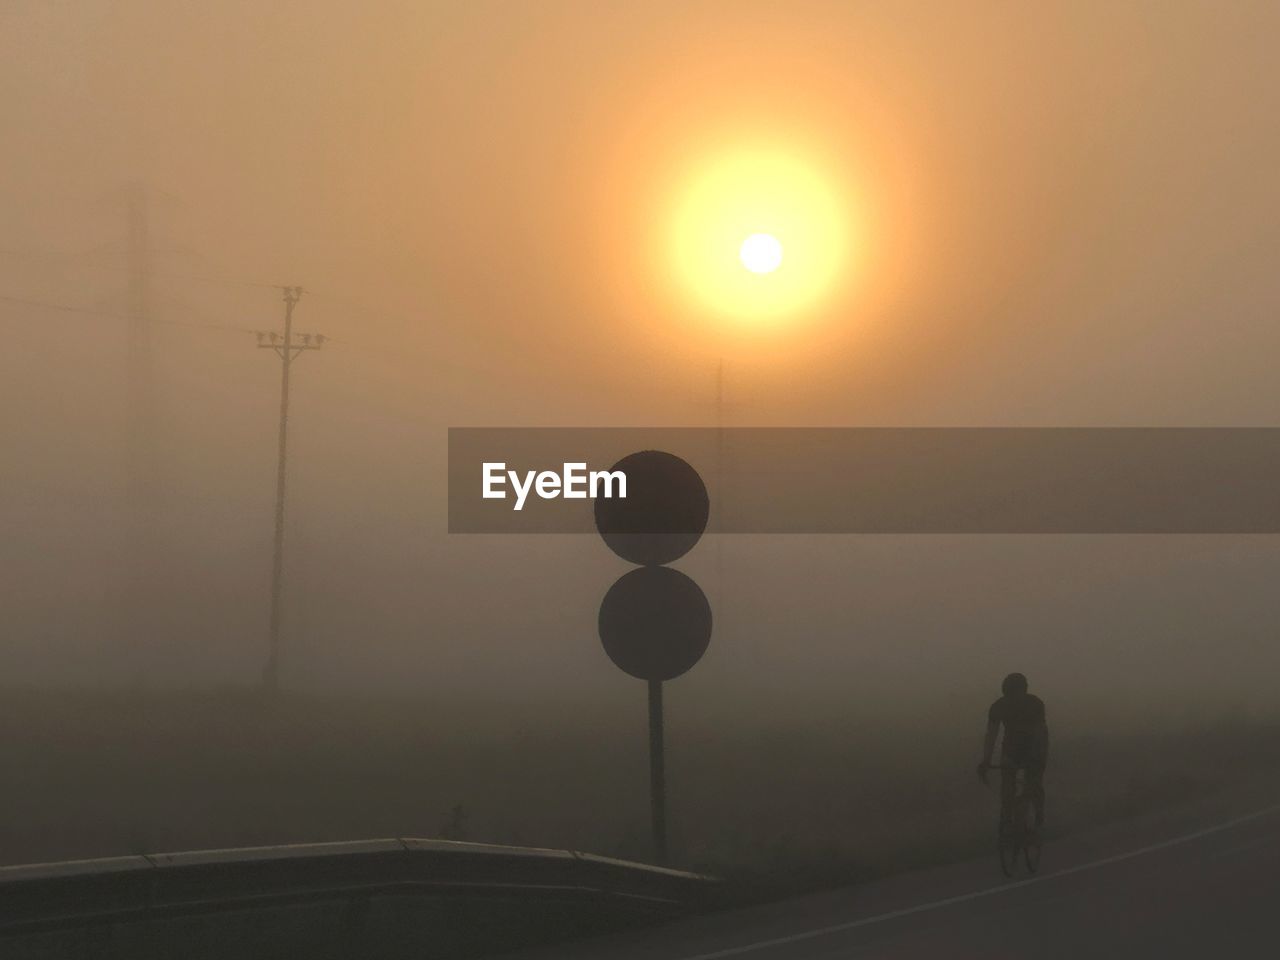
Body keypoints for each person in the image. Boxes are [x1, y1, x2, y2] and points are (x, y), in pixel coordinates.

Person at [977, 672, 1048, 832]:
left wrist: (1036, 757)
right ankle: (1007, 818)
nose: (1014, 700)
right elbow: (991, 735)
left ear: (1024, 691)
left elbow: (1040, 732)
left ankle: (1038, 811)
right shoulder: (998, 707)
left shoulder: (1035, 704)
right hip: (1011, 748)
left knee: (1033, 782)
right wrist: (986, 760)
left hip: (1035, 746)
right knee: (1007, 785)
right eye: (1010, 696)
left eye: (1016, 696)